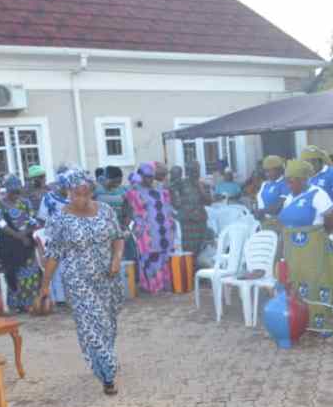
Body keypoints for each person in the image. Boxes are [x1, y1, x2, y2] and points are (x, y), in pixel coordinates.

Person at [38, 170, 124, 395]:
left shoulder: (105, 210)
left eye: (87, 193)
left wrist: (116, 259)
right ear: (68, 192)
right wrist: (45, 286)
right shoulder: (59, 219)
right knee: (90, 326)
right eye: (77, 194)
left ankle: (105, 360)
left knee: (107, 325)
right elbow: (53, 254)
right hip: (78, 280)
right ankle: (107, 374)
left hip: (107, 277)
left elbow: (118, 237)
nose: (83, 199)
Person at [277, 159, 333, 334]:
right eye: (287, 181)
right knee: (296, 282)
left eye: (291, 181)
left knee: (317, 282)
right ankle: (300, 322)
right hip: (293, 251)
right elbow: (284, 224)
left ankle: (323, 324)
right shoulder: (289, 198)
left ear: (303, 179)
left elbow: (332, 217)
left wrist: (318, 234)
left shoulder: (318, 194)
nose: (288, 185)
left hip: (314, 249)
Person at [126, 162, 175, 294]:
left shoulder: (160, 190)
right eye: (147, 177)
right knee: (149, 256)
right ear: (140, 176)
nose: (149, 179)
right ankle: (151, 286)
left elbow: (167, 207)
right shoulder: (133, 192)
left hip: (163, 229)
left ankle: (164, 284)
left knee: (164, 255)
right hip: (146, 231)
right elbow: (130, 211)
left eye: (151, 176)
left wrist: (170, 224)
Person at [0, 175, 42, 312]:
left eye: (18, 192)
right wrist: (18, 236)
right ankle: (16, 304)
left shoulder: (25, 203)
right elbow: (1, 224)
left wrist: (25, 234)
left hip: (26, 244)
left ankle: (30, 302)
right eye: (13, 192)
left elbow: (33, 221)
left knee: (31, 273)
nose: (15, 195)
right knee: (13, 273)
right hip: (9, 245)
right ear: (7, 190)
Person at [170, 163, 210, 256]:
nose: (195, 174)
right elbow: (173, 196)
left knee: (202, 248)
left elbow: (209, 201)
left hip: (201, 220)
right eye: (193, 171)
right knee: (189, 251)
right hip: (187, 222)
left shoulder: (203, 185)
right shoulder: (181, 184)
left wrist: (200, 189)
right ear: (188, 172)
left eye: (197, 171)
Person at [301, 145, 333, 212]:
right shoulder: (306, 175)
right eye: (307, 162)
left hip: (328, 215)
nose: (310, 164)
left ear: (320, 161)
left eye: (313, 161)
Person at [255, 155, 288, 220]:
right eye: (266, 171)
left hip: (278, 220)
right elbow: (259, 200)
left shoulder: (285, 184)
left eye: (270, 171)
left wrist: (262, 212)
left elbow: (279, 207)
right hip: (262, 219)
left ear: (279, 170)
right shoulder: (265, 184)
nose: (267, 174)